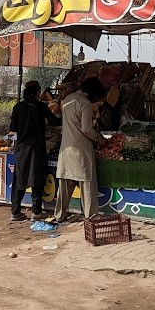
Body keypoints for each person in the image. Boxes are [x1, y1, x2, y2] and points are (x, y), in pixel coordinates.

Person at [52, 76, 107, 223]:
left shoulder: (68, 99)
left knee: (65, 184)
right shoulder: (85, 104)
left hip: (66, 148)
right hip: (81, 148)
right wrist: (98, 137)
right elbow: (86, 129)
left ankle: (59, 214)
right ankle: (91, 215)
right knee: (87, 182)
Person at [9, 80, 61, 222]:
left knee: (20, 178)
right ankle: (36, 212)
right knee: (36, 178)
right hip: (37, 147)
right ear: (37, 92)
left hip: (21, 148)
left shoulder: (18, 107)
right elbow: (54, 121)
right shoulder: (40, 106)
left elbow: (13, 128)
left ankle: (15, 212)